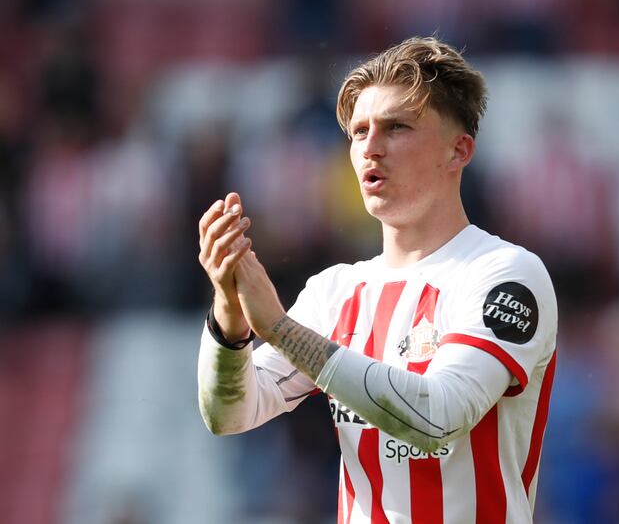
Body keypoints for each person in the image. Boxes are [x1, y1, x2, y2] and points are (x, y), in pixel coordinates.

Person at [197, 36, 558, 523]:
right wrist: (229, 313)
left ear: (458, 151)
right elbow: (229, 414)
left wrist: (282, 331)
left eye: (396, 128)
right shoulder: (335, 291)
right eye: (359, 132)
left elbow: (439, 417)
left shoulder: (506, 274)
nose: (371, 148)